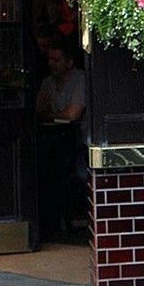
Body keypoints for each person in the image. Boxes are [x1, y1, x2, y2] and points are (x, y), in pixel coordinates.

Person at [36, 40, 87, 240]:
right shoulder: (47, 82)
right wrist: (56, 114)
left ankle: (74, 219)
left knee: (75, 173)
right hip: (55, 138)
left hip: (78, 141)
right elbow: (38, 111)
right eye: (49, 59)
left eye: (56, 60)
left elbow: (73, 115)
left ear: (69, 62)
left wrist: (52, 114)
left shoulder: (80, 79)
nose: (51, 63)